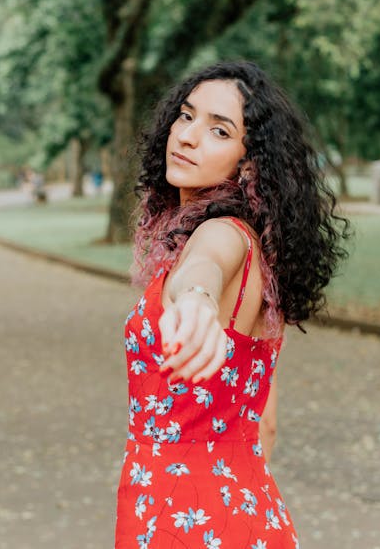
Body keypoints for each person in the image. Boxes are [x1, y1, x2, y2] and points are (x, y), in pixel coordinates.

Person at [115, 61, 348, 548]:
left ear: (249, 162)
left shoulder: (221, 234)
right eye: (186, 116)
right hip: (246, 510)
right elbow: (266, 424)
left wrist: (196, 299)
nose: (188, 136)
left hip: (179, 518)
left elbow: (205, 266)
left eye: (219, 130)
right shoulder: (261, 252)